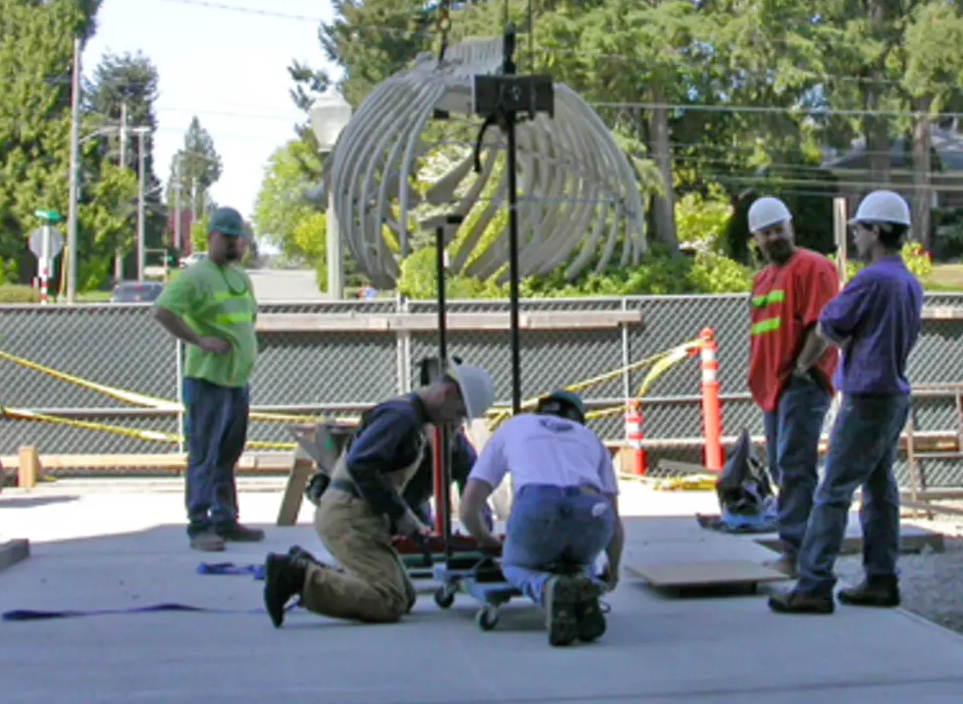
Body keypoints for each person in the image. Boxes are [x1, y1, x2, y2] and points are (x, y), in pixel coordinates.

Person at [768, 190, 923, 615]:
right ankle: (881, 578)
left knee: (833, 490)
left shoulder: (871, 280)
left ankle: (813, 584)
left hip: (866, 396)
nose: (856, 237)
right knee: (879, 489)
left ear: (877, 231)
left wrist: (803, 365)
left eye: (860, 229)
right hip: (893, 395)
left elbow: (830, 324)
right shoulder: (908, 281)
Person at [262, 362, 495, 627]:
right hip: (349, 517)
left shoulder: (408, 415)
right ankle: (296, 576)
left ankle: (307, 566)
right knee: (389, 600)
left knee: (405, 596)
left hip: (359, 515)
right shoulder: (401, 418)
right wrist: (402, 515)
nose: (455, 422)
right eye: (458, 413)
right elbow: (362, 465)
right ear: (447, 394)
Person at [458, 390, 626, 647]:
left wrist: (486, 538)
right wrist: (612, 571)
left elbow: (469, 506)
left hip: (539, 507)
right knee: (583, 564)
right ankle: (586, 585)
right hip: (590, 508)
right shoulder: (590, 438)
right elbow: (613, 518)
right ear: (578, 418)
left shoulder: (514, 427)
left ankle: (545, 586)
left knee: (514, 566)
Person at [152, 207, 262, 552]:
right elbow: (163, 310)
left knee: (228, 454)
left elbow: (248, 318)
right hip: (207, 380)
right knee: (204, 453)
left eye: (238, 239)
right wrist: (199, 341)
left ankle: (225, 520)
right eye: (227, 238)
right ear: (212, 237)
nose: (234, 245)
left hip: (236, 380)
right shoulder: (195, 276)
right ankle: (200, 524)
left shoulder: (240, 277)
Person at [745, 195, 841, 576]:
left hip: (802, 383)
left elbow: (824, 324)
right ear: (756, 238)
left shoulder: (815, 268)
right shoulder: (762, 280)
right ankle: (797, 546)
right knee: (780, 466)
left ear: (791, 227)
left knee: (795, 465)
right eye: (765, 233)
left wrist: (804, 366)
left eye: (778, 230)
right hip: (776, 386)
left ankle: (798, 551)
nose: (773, 238)